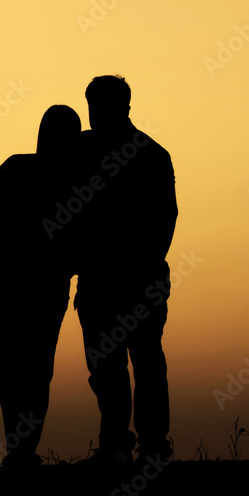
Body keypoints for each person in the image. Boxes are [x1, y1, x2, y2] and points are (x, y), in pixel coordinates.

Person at [72, 75, 178, 464]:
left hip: (100, 278)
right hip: (145, 276)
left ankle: (116, 444)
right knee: (148, 361)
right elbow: (167, 215)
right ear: (128, 105)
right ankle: (152, 446)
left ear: (93, 106)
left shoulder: (80, 149)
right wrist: (148, 262)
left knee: (107, 366)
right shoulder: (154, 153)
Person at [0, 104, 82, 469]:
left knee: (29, 372)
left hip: (38, 290)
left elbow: (80, 242)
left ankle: (22, 452)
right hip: (12, 290)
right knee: (24, 372)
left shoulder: (72, 179)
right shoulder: (19, 169)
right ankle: (19, 452)